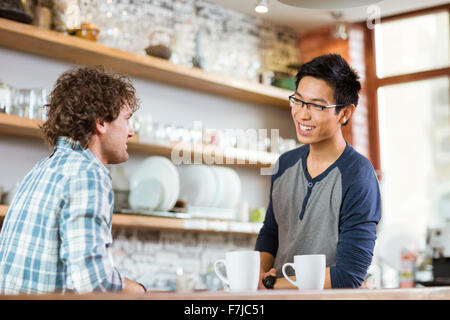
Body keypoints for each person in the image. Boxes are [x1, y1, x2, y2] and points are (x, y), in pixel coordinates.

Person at [0, 66, 147, 294]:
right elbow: (93, 284)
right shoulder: (88, 172)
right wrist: (140, 291)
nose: (131, 132)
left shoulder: (42, 168)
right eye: (127, 119)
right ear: (101, 122)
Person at [255, 54, 381, 289]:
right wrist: (257, 276)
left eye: (317, 106)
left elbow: (348, 276)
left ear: (345, 113)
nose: (303, 114)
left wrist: (271, 284)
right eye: (299, 101)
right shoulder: (284, 164)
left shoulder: (358, 175)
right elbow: (271, 232)